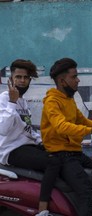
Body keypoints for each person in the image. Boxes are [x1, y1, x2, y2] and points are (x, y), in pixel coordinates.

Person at [40, 57, 92, 216]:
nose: (78, 80)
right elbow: (61, 126)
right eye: (74, 77)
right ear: (62, 81)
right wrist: (91, 131)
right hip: (61, 156)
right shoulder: (52, 102)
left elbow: (82, 120)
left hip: (75, 153)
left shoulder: (69, 100)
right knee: (86, 192)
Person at [0, 59, 57, 216]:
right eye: (18, 77)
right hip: (11, 151)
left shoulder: (23, 103)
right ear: (10, 79)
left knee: (62, 155)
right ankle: (43, 210)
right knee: (52, 162)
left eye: (26, 78)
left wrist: (42, 141)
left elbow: (28, 130)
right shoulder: (4, 99)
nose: (22, 81)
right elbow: (3, 130)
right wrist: (12, 102)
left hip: (26, 147)